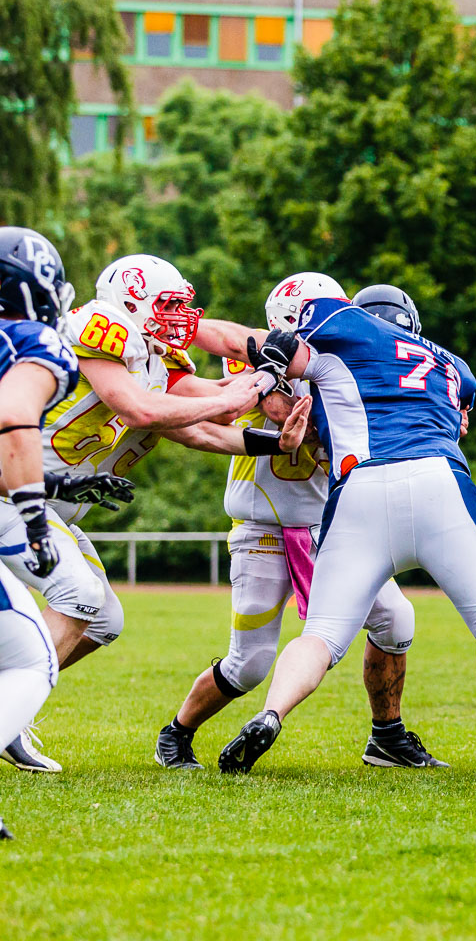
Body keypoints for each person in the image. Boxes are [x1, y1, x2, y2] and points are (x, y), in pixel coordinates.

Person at [217, 285, 476, 782]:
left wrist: (262, 368)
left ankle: (271, 713)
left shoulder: (342, 331)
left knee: (322, 635)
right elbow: (457, 420)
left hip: (359, 489)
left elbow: (274, 349)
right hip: (440, 483)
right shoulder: (452, 365)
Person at [0, 253, 285, 773]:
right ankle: (9, 709)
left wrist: (277, 437)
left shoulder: (156, 360)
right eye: (169, 303)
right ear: (131, 298)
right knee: (79, 595)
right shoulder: (100, 327)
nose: (179, 317)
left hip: (56, 500)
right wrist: (250, 387)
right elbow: (141, 410)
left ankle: (16, 698)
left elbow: (206, 417)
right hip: (15, 485)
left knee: (105, 618)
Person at [155, 274, 436, 771]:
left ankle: (386, 736)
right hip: (263, 526)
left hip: (333, 527)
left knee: (396, 620)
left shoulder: (344, 363)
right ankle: (177, 733)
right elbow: (275, 404)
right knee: (249, 665)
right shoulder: (261, 360)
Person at [0, 227, 131, 836]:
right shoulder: (36, 342)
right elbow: (13, 420)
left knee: (90, 617)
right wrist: (34, 515)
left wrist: (57, 488)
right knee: (29, 657)